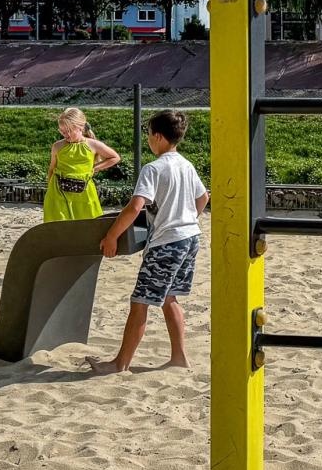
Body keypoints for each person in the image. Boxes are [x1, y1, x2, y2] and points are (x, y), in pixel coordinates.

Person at [89, 109, 208, 375]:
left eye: (149, 135)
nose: (148, 141)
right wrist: (186, 218)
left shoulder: (153, 168)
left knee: (140, 302)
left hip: (167, 242)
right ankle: (179, 357)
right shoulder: (186, 164)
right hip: (190, 237)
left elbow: (134, 207)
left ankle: (120, 364)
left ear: (158, 136)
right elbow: (203, 198)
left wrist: (111, 236)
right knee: (169, 297)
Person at [42, 107, 121, 223]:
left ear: (80, 127)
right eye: (62, 131)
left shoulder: (92, 145)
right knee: (58, 226)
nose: (65, 135)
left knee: (88, 223)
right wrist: (50, 191)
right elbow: (52, 169)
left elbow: (115, 157)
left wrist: (95, 168)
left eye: (68, 131)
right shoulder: (58, 146)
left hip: (84, 191)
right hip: (58, 191)